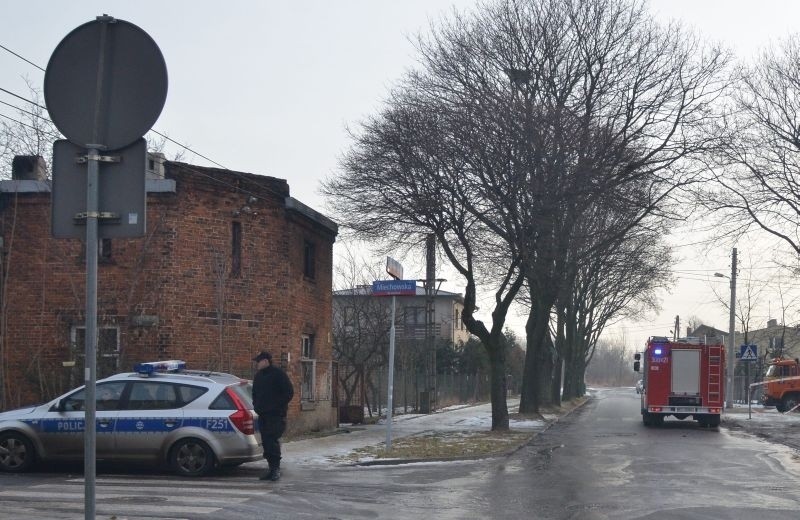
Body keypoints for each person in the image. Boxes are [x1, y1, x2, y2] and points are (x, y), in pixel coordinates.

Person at [252, 350, 294, 481]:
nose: (257, 364)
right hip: (263, 414)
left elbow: (289, 392)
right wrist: (256, 405)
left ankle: (276, 469)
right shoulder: (259, 376)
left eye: (258, 362)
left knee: (272, 441)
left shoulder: (278, 374)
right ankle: (271, 468)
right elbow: (255, 393)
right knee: (266, 442)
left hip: (276, 415)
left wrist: (277, 406)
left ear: (265, 361)